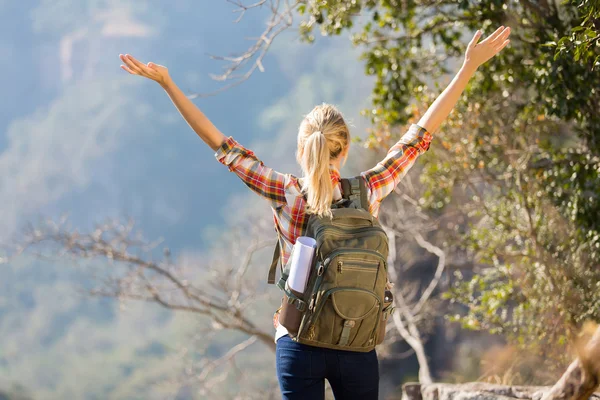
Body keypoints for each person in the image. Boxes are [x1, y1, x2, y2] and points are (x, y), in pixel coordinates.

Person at [119, 25, 511, 400]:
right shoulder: (369, 190)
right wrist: (467, 67)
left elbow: (221, 146)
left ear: (303, 148)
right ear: (345, 148)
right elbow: (419, 137)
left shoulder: (286, 193)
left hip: (298, 341)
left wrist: (168, 84)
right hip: (356, 340)